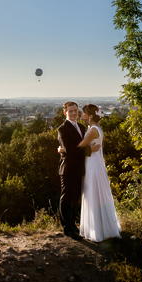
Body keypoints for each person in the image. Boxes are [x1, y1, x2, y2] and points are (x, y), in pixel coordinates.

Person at [76, 104, 121, 241]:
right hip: (93, 163)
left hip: (93, 165)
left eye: (83, 112)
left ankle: (97, 230)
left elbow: (80, 147)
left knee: (93, 194)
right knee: (95, 194)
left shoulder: (93, 130)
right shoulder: (94, 128)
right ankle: (99, 227)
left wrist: (63, 149)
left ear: (90, 116)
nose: (81, 114)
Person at [57, 101, 95, 240]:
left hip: (80, 168)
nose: (74, 113)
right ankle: (67, 228)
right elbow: (70, 150)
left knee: (75, 198)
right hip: (68, 168)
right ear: (65, 112)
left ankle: (73, 225)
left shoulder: (80, 126)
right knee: (67, 198)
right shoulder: (62, 129)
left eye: (75, 110)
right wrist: (89, 150)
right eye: (70, 111)